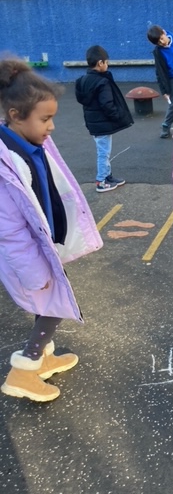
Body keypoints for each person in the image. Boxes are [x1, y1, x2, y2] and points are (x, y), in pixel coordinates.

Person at [0, 58, 103, 402]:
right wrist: (34, 273)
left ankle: (43, 358)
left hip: (43, 246)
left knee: (50, 305)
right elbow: (10, 233)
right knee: (53, 307)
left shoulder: (30, 144)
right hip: (29, 258)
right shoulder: (5, 164)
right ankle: (23, 373)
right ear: (15, 115)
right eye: (45, 119)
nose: (52, 126)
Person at [75, 45, 133, 192]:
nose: (107, 65)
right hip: (102, 124)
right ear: (100, 63)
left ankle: (107, 176)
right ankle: (101, 181)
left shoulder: (83, 80)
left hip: (93, 123)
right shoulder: (102, 81)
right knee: (103, 153)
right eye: (106, 62)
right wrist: (117, 116)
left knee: (104, 151)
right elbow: (107, 104)